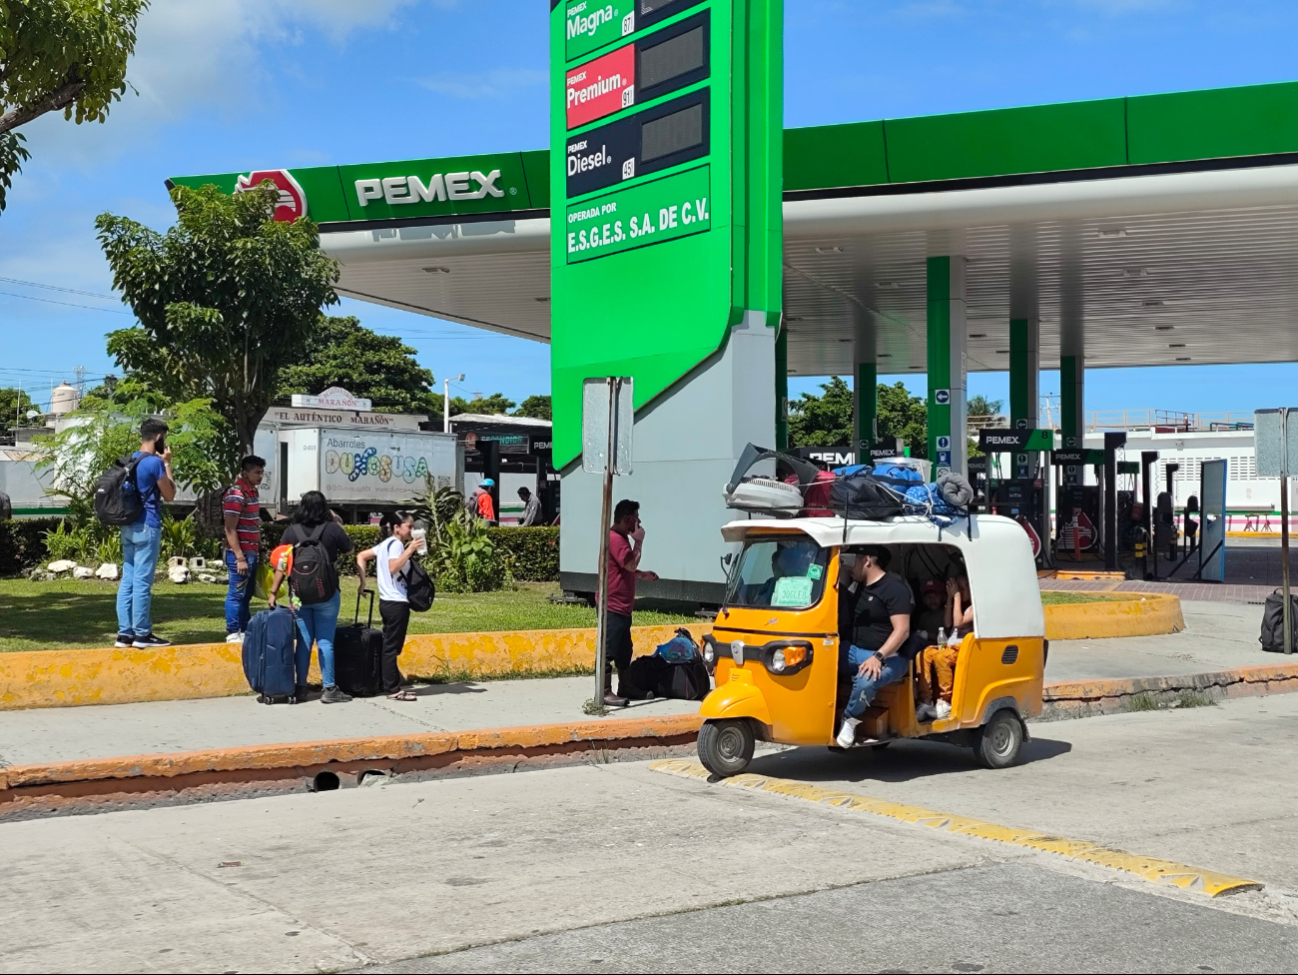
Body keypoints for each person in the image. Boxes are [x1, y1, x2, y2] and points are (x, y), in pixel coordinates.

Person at [268, 491, 355, 703]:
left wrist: (273, 592)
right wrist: (335, 523)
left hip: (298, 596)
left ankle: (301, 687)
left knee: (304, 641)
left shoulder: (291, 532)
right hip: (327, 594)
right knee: (325, 640)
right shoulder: (332, 529)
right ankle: (329, 688)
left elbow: (281, 564)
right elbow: (350, 550)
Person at [836, 545, 913, 748]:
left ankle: (849, 720)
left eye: (854, 560)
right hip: (854, 651)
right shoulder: (858, 586)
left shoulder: (894, 588)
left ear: (867, 560)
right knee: (820, 658)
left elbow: (902, 630)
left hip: (890, 656)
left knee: (866, 679)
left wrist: (878, 657)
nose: (850, 566)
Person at [114, 417, 176, 649]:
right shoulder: (154, 463)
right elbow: (169, 495)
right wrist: (168, 464)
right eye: (164, 439)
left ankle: (124, 634)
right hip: (147, 526)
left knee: (128, 580)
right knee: (142, 582)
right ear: (158, 437)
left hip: (128, 525)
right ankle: (142, 634)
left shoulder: (130, 460)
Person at [356, 511, 424, 702]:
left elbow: (361, 556)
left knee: (390, 645)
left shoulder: (384, 545)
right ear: (396, 528)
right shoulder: (396, 544)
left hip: (386, 601)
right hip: (397, 602)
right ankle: (392, 688)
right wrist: (409, 550)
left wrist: (363, 582)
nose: (412, 530)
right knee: (391, 648)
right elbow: (393, 567)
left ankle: (388, 682)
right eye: (409, 527)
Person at [602, 499, 659, 706]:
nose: (639, 522)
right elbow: (631, 564)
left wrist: (643, 575)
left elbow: (626, 570)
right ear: (627, 520)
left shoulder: (620, 538)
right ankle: (604, 691)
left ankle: (625, 686)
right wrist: (640, 541)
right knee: (609, 649)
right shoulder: (616, 539)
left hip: (623, 606)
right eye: (636, 518)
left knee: (625, 649)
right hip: (613, 605)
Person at [916, 574, 974, 722]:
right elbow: (947, 624)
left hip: (963, 648)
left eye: (961, 588)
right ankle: (926, 701)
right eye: (956, 588)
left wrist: (957, 597)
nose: (958, 591)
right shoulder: (955, 604)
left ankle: (945, 701)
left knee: (941, 657)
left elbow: (957, 622)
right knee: (924, 654)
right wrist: (950, 598)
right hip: (951, 645)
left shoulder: (974, 606)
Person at [221, 455, 265, 644]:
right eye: (257, 472)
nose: (260, 476)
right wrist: (239, 557)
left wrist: (260, 548)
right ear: (245, 473)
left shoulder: (252, 493)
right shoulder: (236, 494)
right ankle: (232, 631)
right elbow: (230, 528)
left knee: (246, 594)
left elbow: (254, 524)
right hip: (239, 554)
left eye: (262, 472)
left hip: (252, 552)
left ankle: (245, 629)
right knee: (236, 593)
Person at [912, 578, 946, 643]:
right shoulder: (924, 616)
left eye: (936, 596)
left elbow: (947, 638)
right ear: (924, 600)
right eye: (928, 597)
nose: (932, 600)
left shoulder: (946, 615)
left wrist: (929, 635)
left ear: (943, 597)